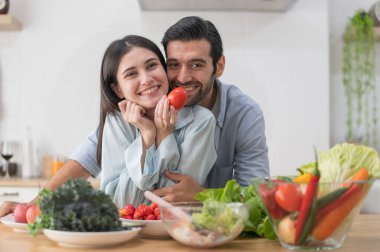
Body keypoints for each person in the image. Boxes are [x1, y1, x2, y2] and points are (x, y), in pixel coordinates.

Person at [0, 16, 268, 216]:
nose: (183, 77)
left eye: (196, 65)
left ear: (219, 66)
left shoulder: (243, 114)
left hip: (211, 229)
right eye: (173, 65)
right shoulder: (133, 113)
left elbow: (256, 198)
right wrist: (34, 205)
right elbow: (87, 158)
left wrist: (206, 196)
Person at [97, 35, 216, 207]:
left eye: (152, 66)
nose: (146, 79)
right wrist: (148, 135)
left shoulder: (201, 122)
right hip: (129, 233)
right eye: (131, 74)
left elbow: (171, 200)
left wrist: (164, 134)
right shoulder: (117, 122)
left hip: (179, 229)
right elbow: (117, 202)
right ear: (118, 90)